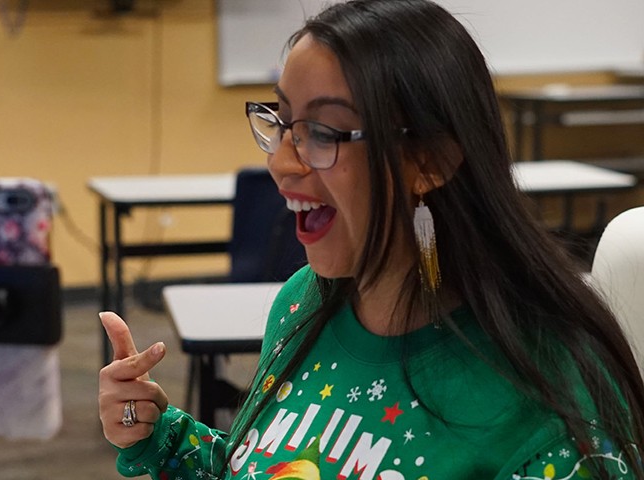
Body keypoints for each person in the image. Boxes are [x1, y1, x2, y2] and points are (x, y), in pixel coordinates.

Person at [97, 1, 644, 478]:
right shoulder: (303, 302)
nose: (281, 163)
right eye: (282, 122)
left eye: (323, 133)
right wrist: (162, 436)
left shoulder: (550, 413)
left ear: (429, 161)